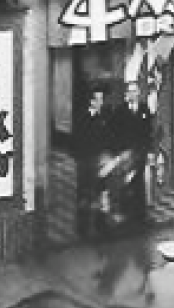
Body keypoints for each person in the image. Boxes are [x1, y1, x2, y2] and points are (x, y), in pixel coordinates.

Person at [109, 80, 155, 226]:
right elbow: (114, 133)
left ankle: (141, 215)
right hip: (126, 153)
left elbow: (148, 131)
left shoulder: (144, 109)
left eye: (135, 91)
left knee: (139, 183)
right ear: (126, 94)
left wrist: (149, 151)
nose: (133, 94)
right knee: (125, 182)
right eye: (130, 92)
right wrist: (119, 152)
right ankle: (125, 214)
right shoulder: (120, 111)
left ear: (139, 93)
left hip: (140, 152)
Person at [76, 86, 112, 238]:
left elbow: (107, 138)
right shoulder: (82, 118)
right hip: (86, 162)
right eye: (97, 99)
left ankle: (101, 224)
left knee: (102, 192)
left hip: (101, 160)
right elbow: (78, 142)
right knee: (85, 195)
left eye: (101, 99)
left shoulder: (104, 117)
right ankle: (83, 227)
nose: (100, 102)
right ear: (90, 101)